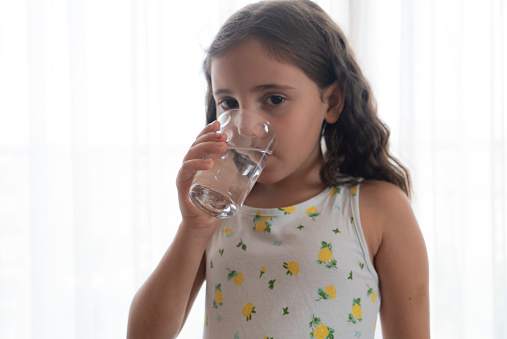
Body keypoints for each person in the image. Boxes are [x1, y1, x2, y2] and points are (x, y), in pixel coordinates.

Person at [127, 0, 430, 338]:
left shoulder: (378, 208)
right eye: (228, 103)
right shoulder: (217, 210)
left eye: (274, 99)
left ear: (331, 101)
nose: (250, 127)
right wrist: (193, 228)